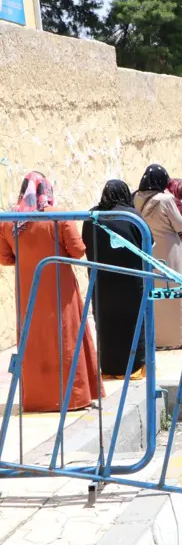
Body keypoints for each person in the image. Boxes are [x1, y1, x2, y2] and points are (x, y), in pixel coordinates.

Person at [0, 172, 102, 412]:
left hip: (28, 289)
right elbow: (78, 251)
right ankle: (73, 397)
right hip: (60, 288)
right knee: (66, 337)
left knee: (33, 339)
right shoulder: (57, 216)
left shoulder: (9, 220)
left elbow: (5, 257)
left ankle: (38, 398)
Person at [82, 180, 146, 379]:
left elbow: (85, 242)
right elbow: (147, 242)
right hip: (130, 280)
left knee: (107, 323)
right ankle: (134, 367)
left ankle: (109, 367)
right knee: (133, 321)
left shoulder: (92, 216)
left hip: (101, 281)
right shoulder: (130, 216)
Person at [134, 165, 182, 349]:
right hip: (170, 250)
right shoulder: (166, 199)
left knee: (156, 294)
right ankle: (180, 337)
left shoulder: (136, 198)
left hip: (149, 249)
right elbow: (179, 225)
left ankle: (158, 336)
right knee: (178, 293)